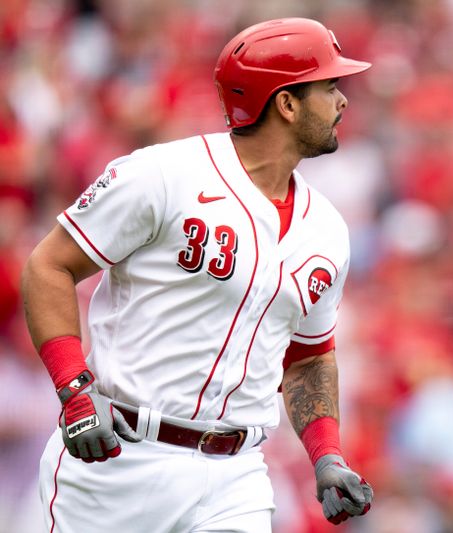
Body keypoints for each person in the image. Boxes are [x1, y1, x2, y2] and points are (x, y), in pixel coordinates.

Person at [21, 17, 373, 532]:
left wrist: (327, 455)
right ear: (287, 103)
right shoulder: (163, 175)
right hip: (120, 459)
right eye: (330, 87)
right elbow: (49, 265)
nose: (342, 101)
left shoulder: (328, 229)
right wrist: (75, 388)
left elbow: (309, 355)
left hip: (237, 476)